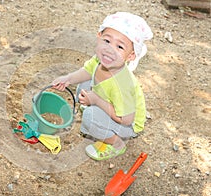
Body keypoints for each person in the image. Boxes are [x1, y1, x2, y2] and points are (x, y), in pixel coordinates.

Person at [52, 12, 153, 161]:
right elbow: (87, 71)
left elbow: (125, 119)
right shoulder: (101, 60)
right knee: (83, 85)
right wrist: (68, 79)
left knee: (90, 116)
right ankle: (97, 115)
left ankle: (116, 143)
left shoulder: (123, 85)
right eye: (107, 41)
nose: (109, 49)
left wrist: (97, 101)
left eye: (119, 46)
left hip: (127, 124)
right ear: (99, 36)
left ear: (131, 56)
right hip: (112, 103)